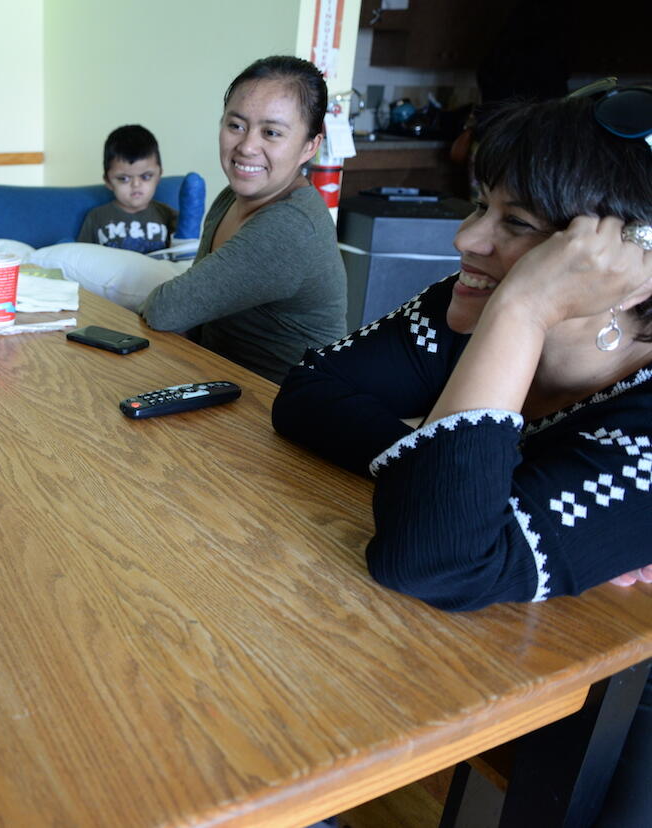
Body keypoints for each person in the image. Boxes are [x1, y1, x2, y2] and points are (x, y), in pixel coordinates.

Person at [271, 89, 652, 825]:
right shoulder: (473, 305)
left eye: (514, 224)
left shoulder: (505, 310)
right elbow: (311, 390)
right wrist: (450, 479)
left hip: (619, 692)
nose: (466, 240)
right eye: (479, 206)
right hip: (489, 639)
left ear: (623, 261)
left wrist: (524, 312)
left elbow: (433, 557)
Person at [140, 56, 347, 384]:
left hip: (277, 412)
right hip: (219, 380)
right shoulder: (232, 197)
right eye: (235, 125)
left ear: (310, 146)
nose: (247, 146)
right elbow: (196, 316)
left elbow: (167, 309)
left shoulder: (289, 227)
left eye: (272, 132)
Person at [77, 124, 178, 254]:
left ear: (159, 176)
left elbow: (182, 259)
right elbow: (82, 260)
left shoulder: (170, 216)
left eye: (146, 176)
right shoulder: (96, 217)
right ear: (108, 181)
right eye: (124, 179)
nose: (136, 184)